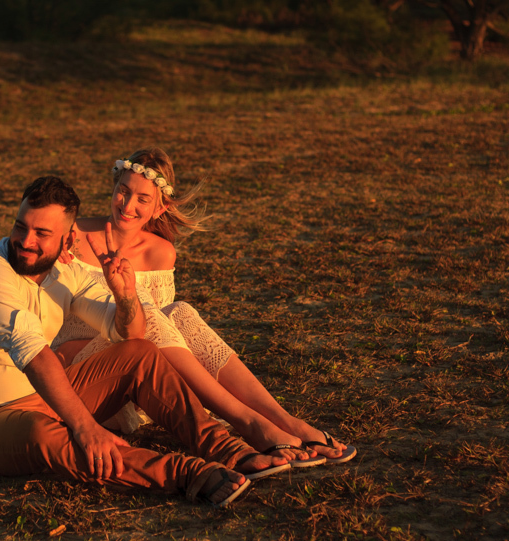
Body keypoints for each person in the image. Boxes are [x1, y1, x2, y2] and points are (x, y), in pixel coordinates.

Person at [0, 175, 291, 507]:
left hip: (43, 397)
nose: (26, 241)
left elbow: (131, 332)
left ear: (67, 241)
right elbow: (33, 354)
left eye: (41, 233)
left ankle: (223, 446)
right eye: (21, 226)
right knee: (44, 435)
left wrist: (125, 297)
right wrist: (85, 426)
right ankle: (187, 474)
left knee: (138, 354)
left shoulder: (69, 272)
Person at [52, 148, 357, 466]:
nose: (127, 205)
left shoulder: (161, 253)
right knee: (148, 313)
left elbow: (166, 343)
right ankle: (247, 422)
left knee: (178, 312)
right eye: (123, 191)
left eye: (142, 198)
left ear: (160, 208)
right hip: (81, 374)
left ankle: (283, 420)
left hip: (134, 379)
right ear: (113, 188)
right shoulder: (73, 235)